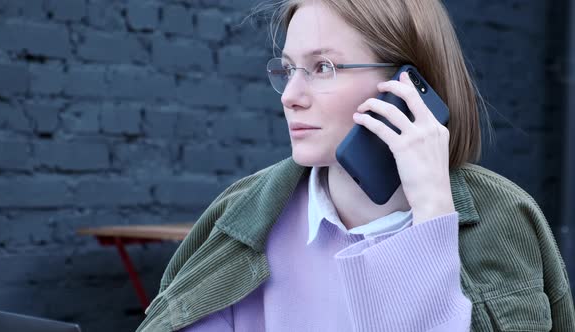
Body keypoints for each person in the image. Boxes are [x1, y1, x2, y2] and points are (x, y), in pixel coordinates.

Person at [137, 0, 575, 331]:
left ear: (407, 85)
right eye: (288, 69)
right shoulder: (240, 214)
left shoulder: (505, 218)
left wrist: (432, 216)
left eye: (322, 67)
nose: (290, 95)